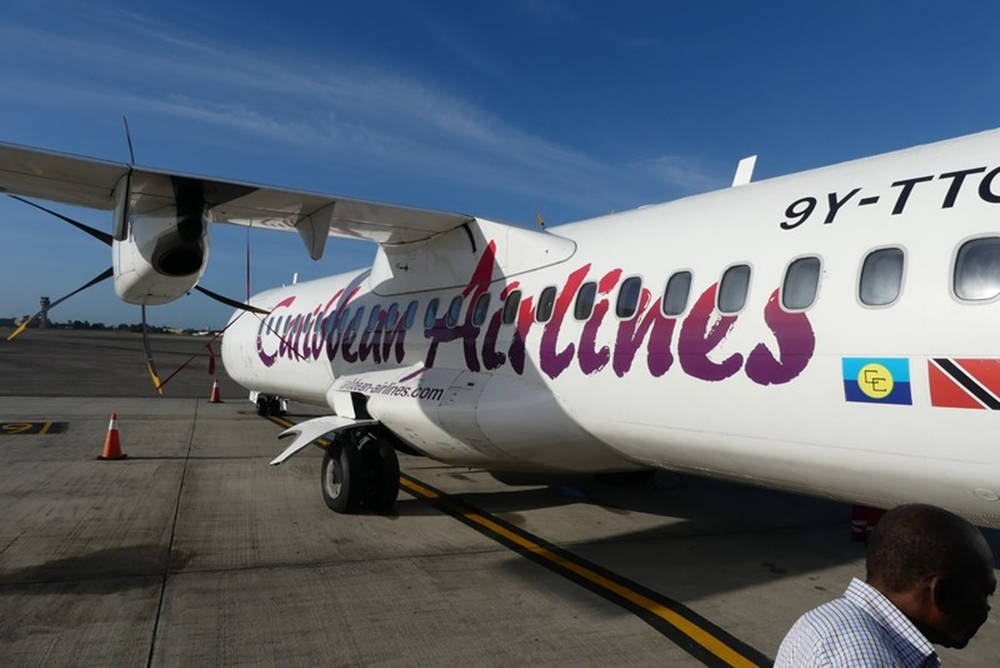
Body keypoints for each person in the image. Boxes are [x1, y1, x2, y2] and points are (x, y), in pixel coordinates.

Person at [774, 504, 996, 667]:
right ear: (942, 593)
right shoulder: (865, 661)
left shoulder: (828, 618)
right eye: (984, 594)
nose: (986, 609)